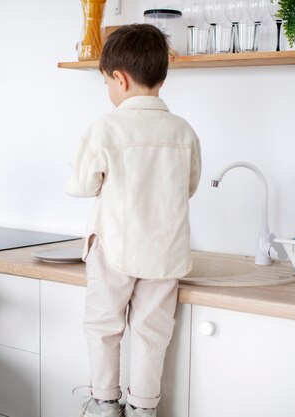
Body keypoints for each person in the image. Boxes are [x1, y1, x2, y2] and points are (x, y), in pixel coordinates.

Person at [66, 24, 202, 417]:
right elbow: (188, 186)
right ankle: (144, 409)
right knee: (152, 333)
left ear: (119, 79)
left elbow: (80, 185)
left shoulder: (106, 127)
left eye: (107, 82)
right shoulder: (184, 131)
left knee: (104, 327)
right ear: (161, 76)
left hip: (114, 246)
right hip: (166, 251)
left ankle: (106, 403)